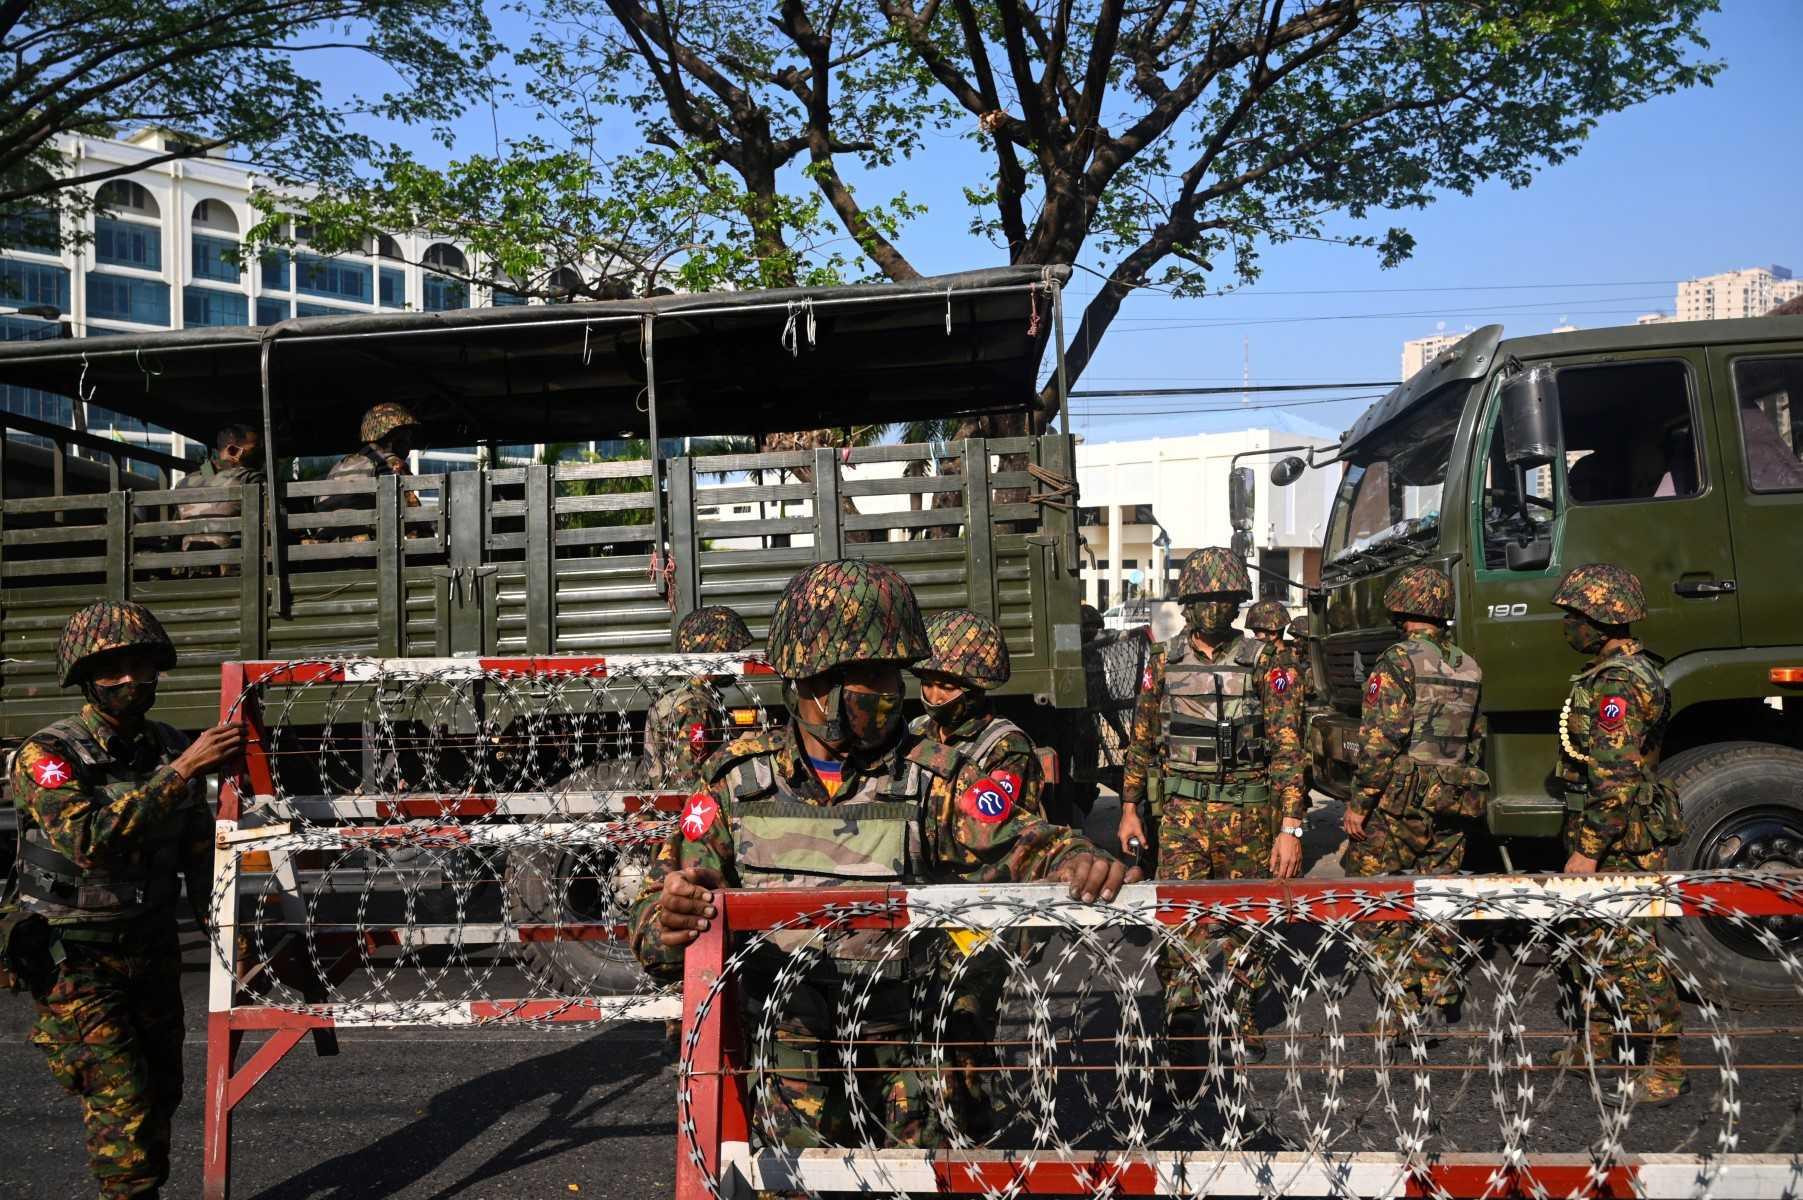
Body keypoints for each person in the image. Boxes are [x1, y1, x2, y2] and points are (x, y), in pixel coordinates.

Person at [631, 559, 1132, 1148]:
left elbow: (1021, 840)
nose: (894, 693)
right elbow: (656, 925)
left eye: (896, 677)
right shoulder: (739, 783)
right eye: (876, 676)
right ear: (816, 682)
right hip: (785, 1068)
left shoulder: (932, 780)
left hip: (904, 1073)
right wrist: (669, 921)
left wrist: (1073, 856)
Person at [9, 601, 244, 1199]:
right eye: (114, 668)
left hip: (150, 948)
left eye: (143, 667)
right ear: (85, 676)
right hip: (75, 956)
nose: (131, 681)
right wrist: (185, 770)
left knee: (163, 1093)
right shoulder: (48, 754)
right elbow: (89, 841)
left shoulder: (166, 744)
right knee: (125, 1110)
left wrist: (229, 943)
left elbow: (199, 857)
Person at [1116, 547, 1306, 1065]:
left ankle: (1242, 1010)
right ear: (1187, 602)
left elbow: (1290, 749)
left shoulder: (1269, 661)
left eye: (1224, 598)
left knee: (1250, 922)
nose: (1214, 608)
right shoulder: (1162, 660)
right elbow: (1142, 738)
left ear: (1238, 602)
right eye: (1204, 598)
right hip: (1182, 817)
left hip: (1247, 813)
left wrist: (1292, 827)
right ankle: (1183, 1017)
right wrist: (1130, 806)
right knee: (1179, 920)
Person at [1550, 562, 1687, 1105]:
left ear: (1601, 620)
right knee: (1595, 943)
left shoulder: (1619, 684)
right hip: (1609, 828)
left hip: (1620, 838)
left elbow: (1616, 774)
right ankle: (1600, 1041)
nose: (1568, 625)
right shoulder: (1623, 672)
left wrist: (1587, 851)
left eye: (1574, 616)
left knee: (1629, 950)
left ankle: (1667, 1063)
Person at [910, 608, 1047, 1139]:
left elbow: (993, 836)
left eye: (946, 684)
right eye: (929, 681)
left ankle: (972, 1142)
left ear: (973, 685)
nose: (934, 693)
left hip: (976, 913)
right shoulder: (917, 733)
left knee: (964, 1034)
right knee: (921, 1033)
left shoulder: (1004, 748)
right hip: (920, 907)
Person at [1340, 566, 1488, 1037]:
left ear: (1400, 608)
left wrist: (1359, 805)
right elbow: (1475, 737)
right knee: (1437, 892)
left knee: (1371, 894)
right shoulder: (1468, 664)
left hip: (1400, 802)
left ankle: (1401, 1000)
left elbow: (1380, 743)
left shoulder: (1397, 662)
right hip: (1454, 796)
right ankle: (1439, 987)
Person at [644, 605, 756, 791]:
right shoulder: (693, 706)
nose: (735, 660)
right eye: (730, 653)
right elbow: (691, 781)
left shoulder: (680, 695)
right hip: (690, 813)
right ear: (714, 654)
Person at [317, 402, 422, 535]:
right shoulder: (391, 463)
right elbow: (414, 514)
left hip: (329, 544)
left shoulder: (340, 465)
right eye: (407, 437)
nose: (409, 443)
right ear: (395, 438)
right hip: (371, 546)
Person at [171, 423, 264, 566]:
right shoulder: (250, 478)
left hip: (188, 563)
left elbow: (174, 533)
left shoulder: (183, 483)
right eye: (254, 446)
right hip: (236, 566)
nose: (258, 450)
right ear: (232, 444)